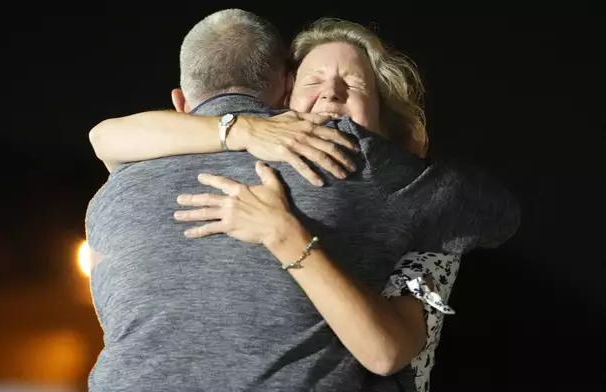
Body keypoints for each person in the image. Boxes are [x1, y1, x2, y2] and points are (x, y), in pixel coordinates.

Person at [86, 10, 519, 392]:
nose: (330, 96)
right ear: (283, 95)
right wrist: (244, 130)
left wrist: (285, 233)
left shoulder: (119, 182)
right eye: (314, 81)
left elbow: (388, 352)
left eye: (353, 84)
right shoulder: (355, 158)